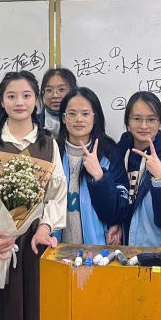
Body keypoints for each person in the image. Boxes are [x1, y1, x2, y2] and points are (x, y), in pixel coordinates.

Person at [0, 70, 66, 320]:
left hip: (31, 248)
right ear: (2, 101)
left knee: (31, 315)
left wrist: (45, 228)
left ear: (36, 100)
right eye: (11, 96)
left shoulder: (48, 145)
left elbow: (56, 195)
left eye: (26, 95)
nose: (19, 102)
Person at [107, 91, 161, 247]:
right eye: (137, 119)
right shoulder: (118, 156)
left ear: (160, 122)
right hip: (125, 253)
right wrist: (118, 224)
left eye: (151, 119)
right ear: (127, 121)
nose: (144, 126)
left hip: (159, 255)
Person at [56, 87, 120, 245]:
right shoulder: (52, 151)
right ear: (63, 118)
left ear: (95, 117)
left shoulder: (109, 153)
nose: (79, 119)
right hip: (55, 248)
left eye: (85, 114)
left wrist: (100, 176)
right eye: (72, 114)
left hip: (97, 248)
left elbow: (117, 211)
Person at [37, 68, 76, 137]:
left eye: (61, 89)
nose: (55, 95)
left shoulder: (82, 123)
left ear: (72, 92)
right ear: (43, 93)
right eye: (49, 90)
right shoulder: (33, 123)